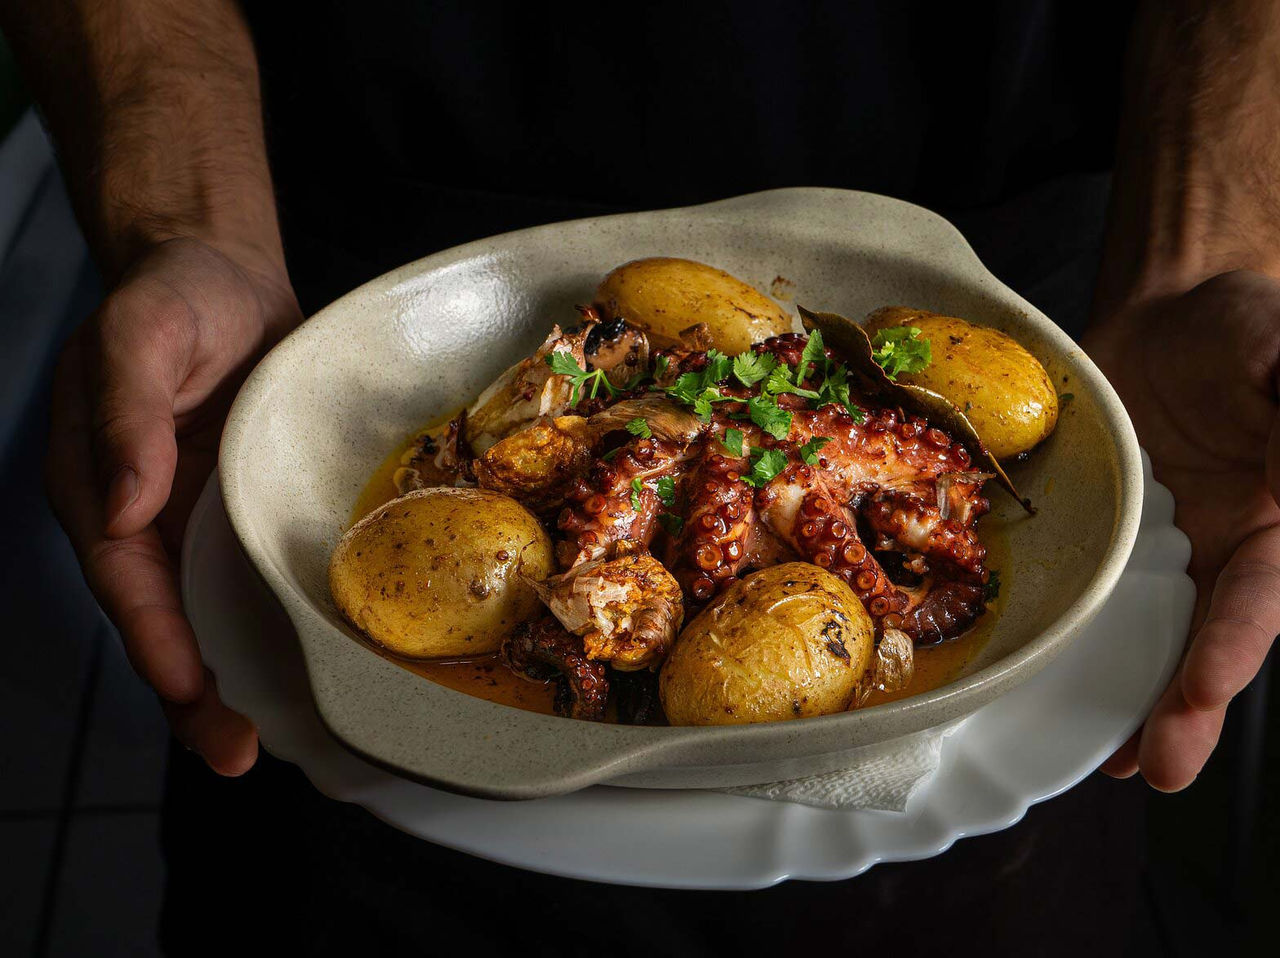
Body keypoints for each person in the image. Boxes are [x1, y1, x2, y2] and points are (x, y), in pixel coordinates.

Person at [2, 0, 1275, 951]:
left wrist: (1207, 255)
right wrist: (189, 225)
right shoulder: (545, 452)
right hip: (345, 273)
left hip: (1020, 261)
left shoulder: (867, 451)